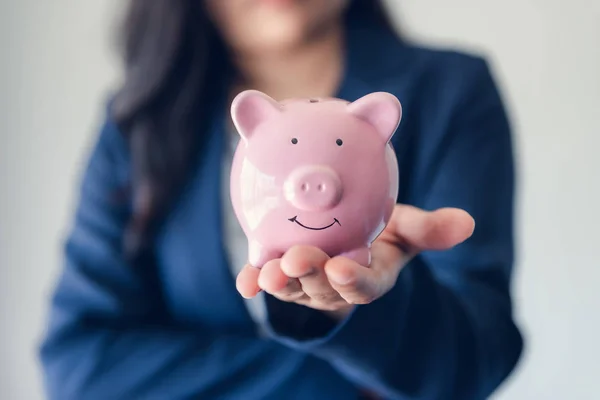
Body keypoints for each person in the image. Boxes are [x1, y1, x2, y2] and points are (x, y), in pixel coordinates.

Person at [38, 0, 524, 399]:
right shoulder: (140, 122)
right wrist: (331, 378)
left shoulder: (451, 91)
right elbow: (80, 363)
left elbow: (479, 359)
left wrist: (355, 310)